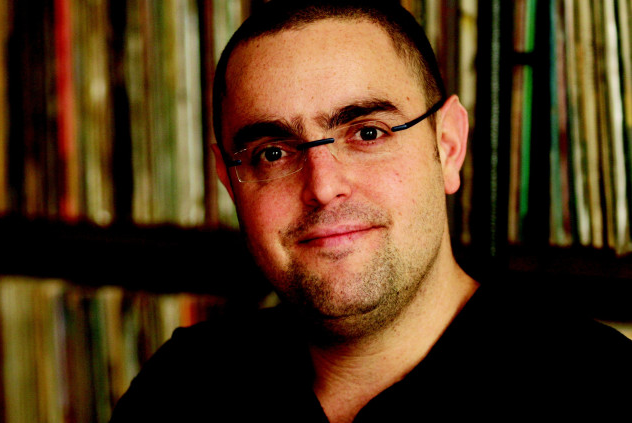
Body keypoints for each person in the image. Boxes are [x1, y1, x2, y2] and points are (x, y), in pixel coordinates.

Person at [110, 1, 632, 421]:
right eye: (273, 153)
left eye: (367, 133)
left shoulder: (602, 388)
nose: (323, 186)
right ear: (229, 181)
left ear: (448, 146)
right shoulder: (180, 386)